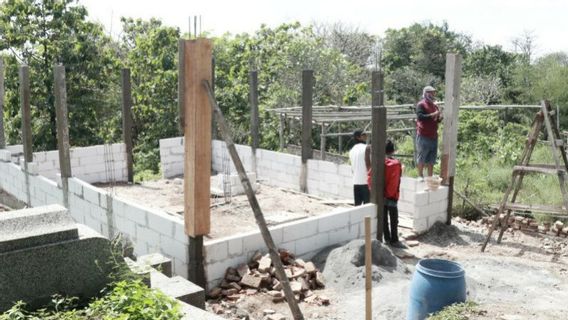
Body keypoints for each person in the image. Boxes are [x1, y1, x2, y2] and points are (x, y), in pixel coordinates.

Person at [366, 140, 404, 247]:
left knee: (383, 218)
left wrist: (377, 193)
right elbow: (394, 182)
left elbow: (369, 178)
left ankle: (387, 238)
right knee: (393, 219)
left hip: (381, 196)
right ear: (393, 150)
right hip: (391, 195)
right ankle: (394, 240)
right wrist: (389, 194)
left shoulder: (378, 162)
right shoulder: (395, 164)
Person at [415, 85, 442, 181]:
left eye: (434, 92)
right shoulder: (421, 104)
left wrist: (439, 116)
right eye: (432, 92)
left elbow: (436, 120)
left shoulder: (434, 105)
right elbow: (420, 117)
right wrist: (433, 114)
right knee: (422, 155)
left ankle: (430, 177)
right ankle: (420, 175)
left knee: (432, 158)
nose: (434, 94)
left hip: (433, 135)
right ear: (426, 93)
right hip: (423, 134)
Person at [349, 129, 371, 205]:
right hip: (366, 183)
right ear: (358, 137)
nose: (366, 136)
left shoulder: (352, 150)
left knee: (358, 209)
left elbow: (352, 168)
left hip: (356, 183)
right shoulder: (367, 148)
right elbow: (370, 165)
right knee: (367, 210)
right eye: (363, 135)